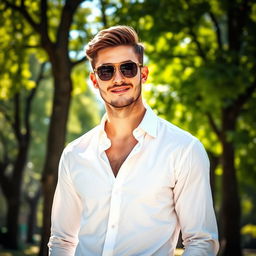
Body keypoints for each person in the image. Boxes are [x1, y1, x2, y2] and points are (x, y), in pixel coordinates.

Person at [48, 25, 219, 256]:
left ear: (144, 74)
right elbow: (62, 241)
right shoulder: (74, 154)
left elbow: (201, 241)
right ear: (95, 80)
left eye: (127, 68)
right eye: (106, 71)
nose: (118, 79)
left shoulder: (184, 150)